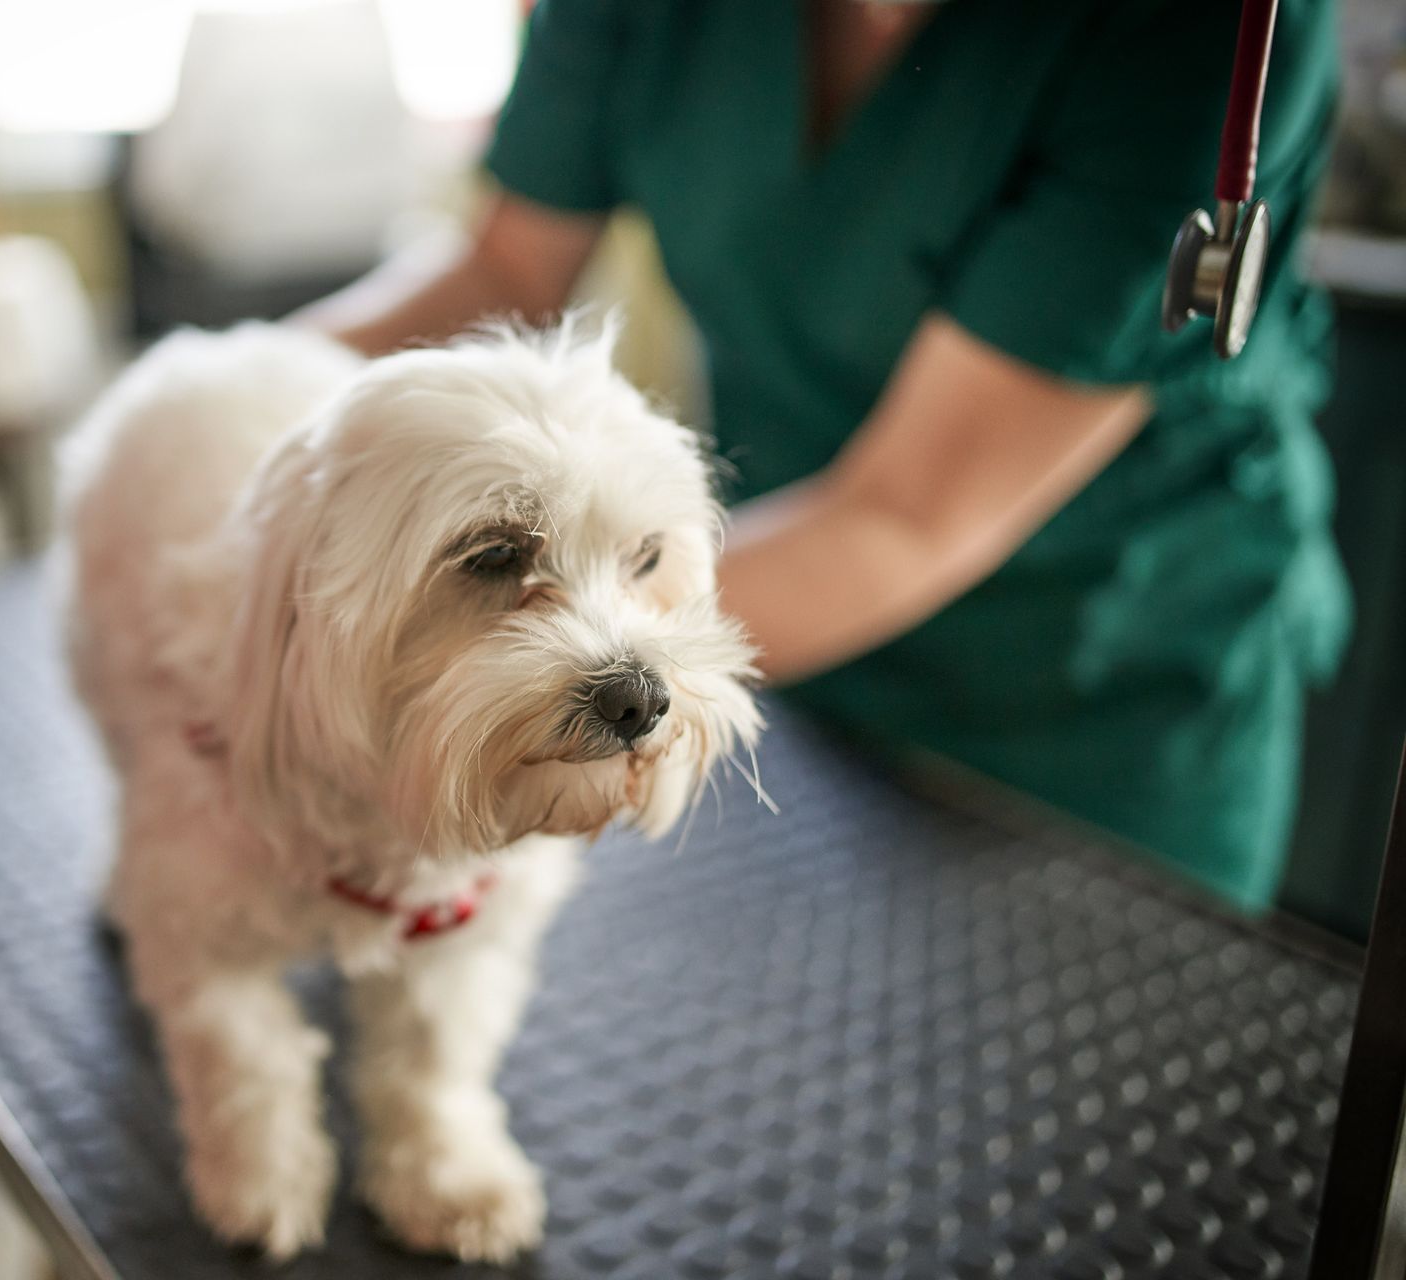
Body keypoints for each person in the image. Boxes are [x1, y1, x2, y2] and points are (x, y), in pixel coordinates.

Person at [294, 0, 1349, 913]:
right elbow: (501, 264)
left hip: (1101, 707)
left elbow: (906, 514)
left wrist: (506, 684)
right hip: (774, 673)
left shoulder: (1200, 32)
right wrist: (214, 407)